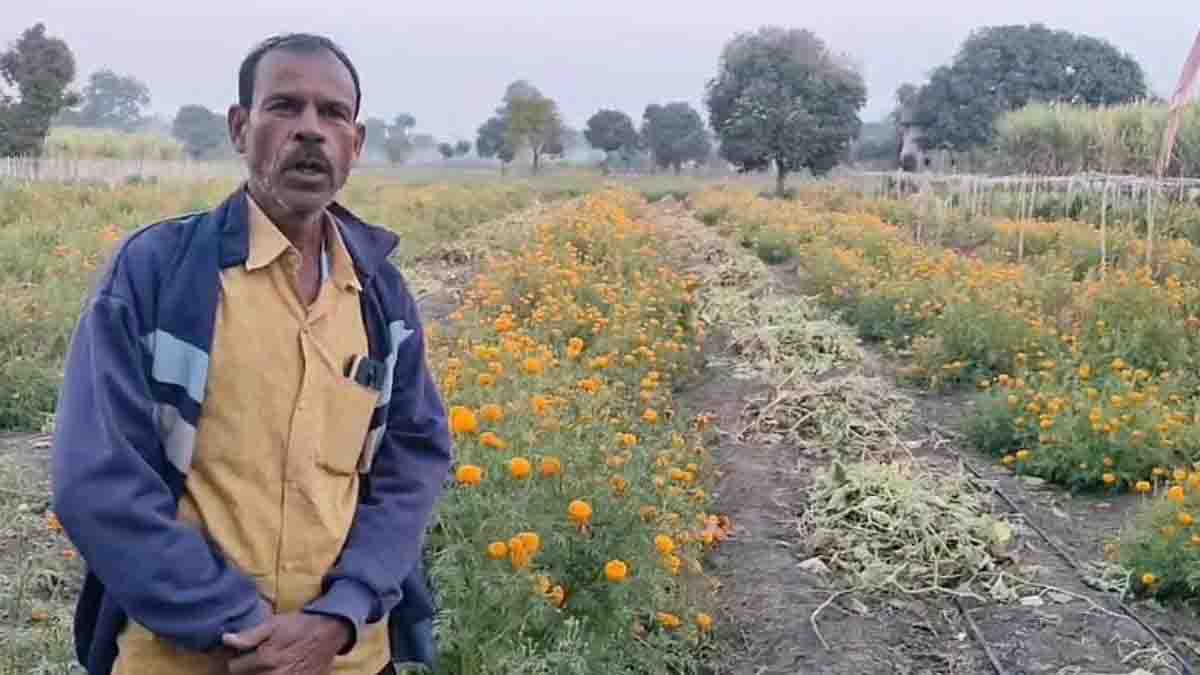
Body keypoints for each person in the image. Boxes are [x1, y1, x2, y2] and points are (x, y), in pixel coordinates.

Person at [50, 33, 453, 675]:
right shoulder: (159, 277)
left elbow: (412, 463)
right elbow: (98, 481)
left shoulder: (379, 295)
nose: (310, 132)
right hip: (186, 657)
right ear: (240, 128)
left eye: (333, 114)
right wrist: (241, 628)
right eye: (284, 107)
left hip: (346, 657)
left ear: (357, 142)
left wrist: (338, 616)